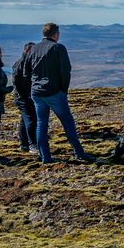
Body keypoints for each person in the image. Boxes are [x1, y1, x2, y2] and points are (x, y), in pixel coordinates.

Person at [23, 23, 96, 164]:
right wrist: (63, 89)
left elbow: (26, 73)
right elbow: (65, 71)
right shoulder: (58, 48)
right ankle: (79, 153)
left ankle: (45, 157)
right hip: (54, 92)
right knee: (67, 123)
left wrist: (33, 86)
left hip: (37, 93)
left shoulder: (32, 49)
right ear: (55, 34)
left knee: (41, 124)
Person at [12, 42, 38, 154]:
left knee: (25, 120)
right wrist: (26, 94)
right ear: (27, 51)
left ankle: (24, 145)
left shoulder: (25, 62)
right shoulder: (21, 63)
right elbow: (17, 80)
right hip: (23, 97)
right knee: (31, 120)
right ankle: (33, 145)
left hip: (23, 96)